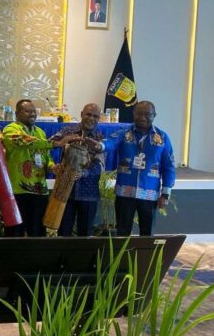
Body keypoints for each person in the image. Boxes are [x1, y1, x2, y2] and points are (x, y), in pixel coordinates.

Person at [101, 101, 175, 236]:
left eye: (147, 114)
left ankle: (145, 252)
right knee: (122, 233)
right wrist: (100, 146)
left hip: (149, 194)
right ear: (133, 114)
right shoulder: (123, 132)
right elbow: (111, 142)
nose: (142, 117)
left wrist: (165, 194)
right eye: (139, 114)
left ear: (154, 115)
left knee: (147, 234)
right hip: (125, 193)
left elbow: (169, 166)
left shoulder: (162, 137)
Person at [1, 99, 63, 237]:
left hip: (39, 191)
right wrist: (54, 143)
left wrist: (52, 167)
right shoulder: (10, 129)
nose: (32, 114)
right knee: (14, 233)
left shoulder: (40, 132)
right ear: (17, 113)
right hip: (17, 191)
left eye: (34, 111)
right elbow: (25, 141)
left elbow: (46, 156)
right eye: (27, 111)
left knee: (37, 234)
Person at [55, 103, 105, 237]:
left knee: (85, 235)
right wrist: (53, 165)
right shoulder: (67, 131)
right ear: (82, 114)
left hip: (89, 192)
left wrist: (83, 173)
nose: (91, 118)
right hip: (65, 191)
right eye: (88, 114)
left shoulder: (100, 139)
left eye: (95, 116)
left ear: (99, 118)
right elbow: (49, 143)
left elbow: (100, 165)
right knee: (63, 233)